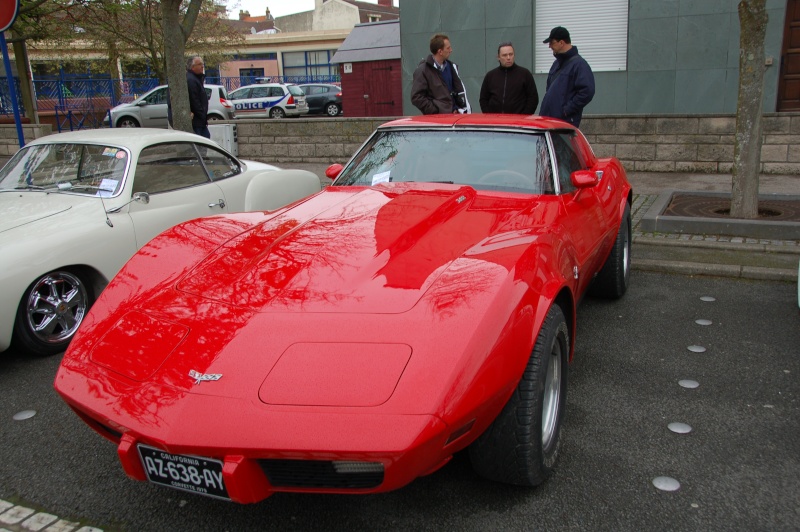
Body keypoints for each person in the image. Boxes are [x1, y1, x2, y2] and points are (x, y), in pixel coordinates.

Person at [539, 26, 595, 128]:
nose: (550, 46)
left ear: (561, 43)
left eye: (552, 42)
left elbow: (587, 91)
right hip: (549, 121)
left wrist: (567, 110)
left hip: (564, 123)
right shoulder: (556, 64)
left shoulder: (579, 65)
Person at [411, 34, 471, 115]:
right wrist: (435, 111)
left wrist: (457, 108)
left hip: (454, 116)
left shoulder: (451, 67)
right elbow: (416, 97)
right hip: (437, 120)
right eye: (448, 48)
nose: (451, 50)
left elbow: (457, 91)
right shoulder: (423, 70)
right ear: (440, 51)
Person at [479, 42, 538, 114]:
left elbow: (533, 98)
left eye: (511, 54)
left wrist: (524, 116)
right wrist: (489, 115)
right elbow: (483, 99)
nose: (508, 58)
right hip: (495, 120)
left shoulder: (525, 74)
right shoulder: (490, 76)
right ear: (498, 57)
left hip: (518, 121)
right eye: (504, 55)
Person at [187, 55, 210, 138]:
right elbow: (194, 101)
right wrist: (202, 115)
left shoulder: (197, 79)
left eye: (202, 64)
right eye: (200, 64)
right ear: (193, 67)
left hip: (200, 120)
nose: (202, 66)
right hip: (197, 121)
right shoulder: (191, 80)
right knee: (201, 143)